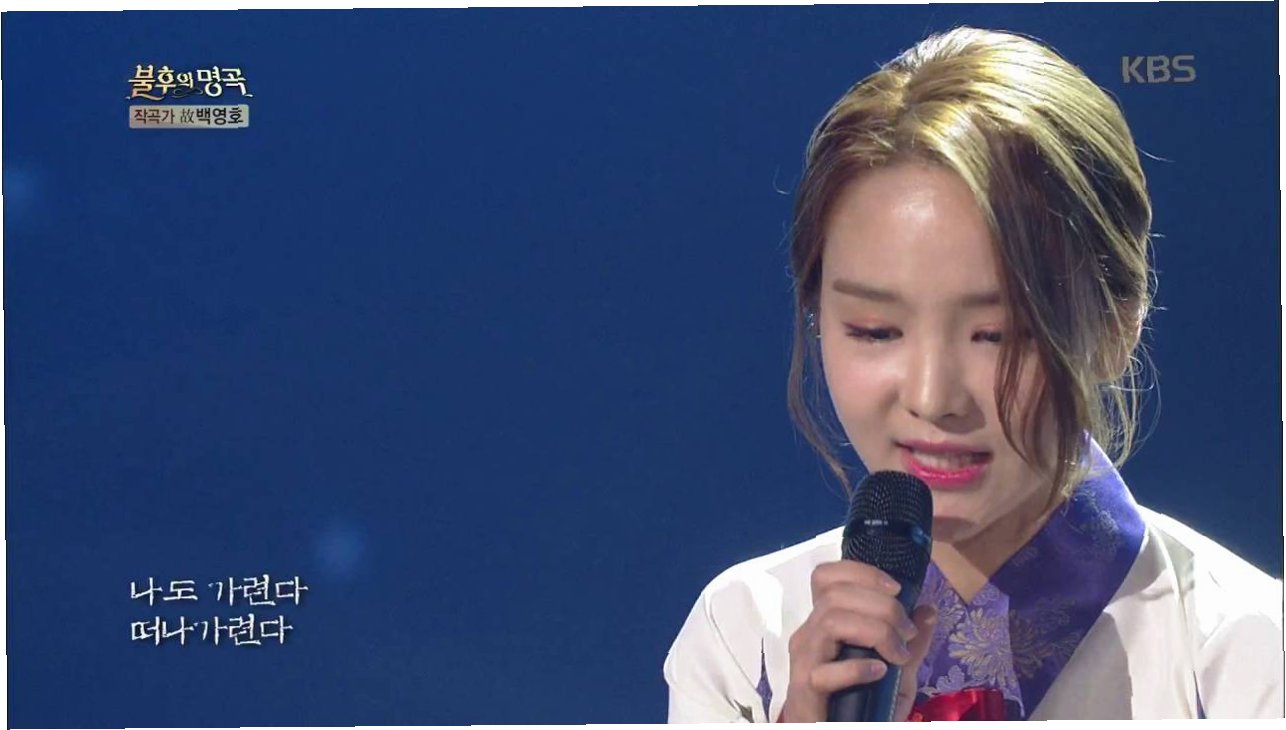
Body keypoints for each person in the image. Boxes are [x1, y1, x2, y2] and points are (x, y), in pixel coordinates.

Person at [663, 26, 1283, 722]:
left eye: (998, 335)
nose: (932, 397)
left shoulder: (1243, 651)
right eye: (875, 331)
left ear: (1118, 325)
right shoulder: (746, 637)